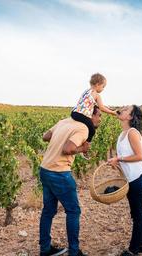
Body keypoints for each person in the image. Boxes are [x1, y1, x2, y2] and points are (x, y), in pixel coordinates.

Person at [39, 106, 102, 256]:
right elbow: (68, 149)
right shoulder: (83, 128)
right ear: (89, 115)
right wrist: (82, 149)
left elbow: (45, 136)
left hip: (45, 169)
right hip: (59, 173)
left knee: (48, 211)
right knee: (73, 211)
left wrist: (60, 137)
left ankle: (45, 249)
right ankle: (74, 252)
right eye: (98, 115)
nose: (100, 119)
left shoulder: (64, 121)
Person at [108, 105, 142, 256]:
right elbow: (128, 157)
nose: (122, 109)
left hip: (138, 177)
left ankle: (133, 250)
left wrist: (119, 158)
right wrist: (117, 162)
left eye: (126, 109)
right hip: (131, 178)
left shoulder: (132, 133)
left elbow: (140, 156)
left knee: (137, 213)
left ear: (130, 117)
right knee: (139, 210)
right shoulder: (122, 134)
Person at [71, 73, 117, 144]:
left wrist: (109, 108)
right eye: (103, 86)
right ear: (98, 84)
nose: (103, 89)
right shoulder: (97, 95)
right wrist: (112, 112)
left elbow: (96, 105)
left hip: (74, 113)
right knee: (92, 130)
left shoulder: (86, 91)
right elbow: (101, 107)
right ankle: (85, 146)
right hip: (82, 115)